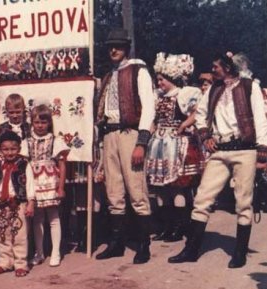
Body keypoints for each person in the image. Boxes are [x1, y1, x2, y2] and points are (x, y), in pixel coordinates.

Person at [168, 53, 267, 268]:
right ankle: (191, 249)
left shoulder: (250, 87)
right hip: (220, 150)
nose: (212, 70)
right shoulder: (214, 88)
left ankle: (239, 253)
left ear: (228, 67)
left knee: (243, 202)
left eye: (215, 67)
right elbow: (201, 113)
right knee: (203, 198)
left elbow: (260, 116)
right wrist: (205, 136)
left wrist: (263, 148)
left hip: (245, 150)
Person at [94, 28, 156, 264]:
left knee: (136, 190)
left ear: (126, 48)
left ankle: (143, 245)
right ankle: (117, 243)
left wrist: (141, 142)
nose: (113, 49)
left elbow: (148, 107)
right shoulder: (109, 75)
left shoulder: (138, 71)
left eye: (118, 46)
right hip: (110, 135)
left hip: (130, 133)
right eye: (111, 46)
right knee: (114, 191)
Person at [146, 53, 205, 242]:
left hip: (177, 145)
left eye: (162, 79)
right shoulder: (159, 97)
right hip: (160, 145)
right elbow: (154, 119)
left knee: (177, 187)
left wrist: (184, 125)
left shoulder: (184, 94)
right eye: (158, 80)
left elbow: (198, 112)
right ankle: (167, 225)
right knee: (161, 188)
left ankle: (180, 226)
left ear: (171, 78)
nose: (159, 83)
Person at [22, 104, 70, 267]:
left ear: (49, 123)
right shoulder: (27, 141)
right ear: (32, 123)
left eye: (43, 122)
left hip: (50, 182)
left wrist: (61, 187)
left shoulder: (55, 140)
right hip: (34, 183)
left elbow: (62, 165)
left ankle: (56, 252)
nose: (40, 126)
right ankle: (40, 252)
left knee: (54, 217)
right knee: (38, 219)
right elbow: (23, 164)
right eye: (36, 122)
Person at [0, 131, 35, 277]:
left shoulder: (24, 164)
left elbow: (30, 184)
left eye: (13, 149)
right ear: (0, 150)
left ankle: (21, 263)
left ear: (19, 148)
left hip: (18, 203)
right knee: (2, 235)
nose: (9, 152)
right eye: (6, 149)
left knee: (19, 234)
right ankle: (5, 262)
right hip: (1, 204)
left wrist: (30, 202)